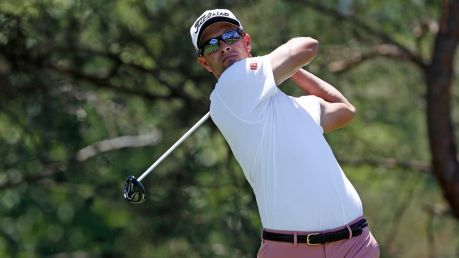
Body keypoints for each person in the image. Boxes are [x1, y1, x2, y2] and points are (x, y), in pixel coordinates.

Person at [190, 9, 380, 258]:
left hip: (355, 244)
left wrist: (287, 71)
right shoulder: (231, 86)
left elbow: (345, 110)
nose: (224, 47)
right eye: (212, 44)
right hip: (293, 250)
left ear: (246, 41)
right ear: (205, 62)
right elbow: (306, 47)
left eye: (230, 36)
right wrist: (276, 65)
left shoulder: (295, 106)